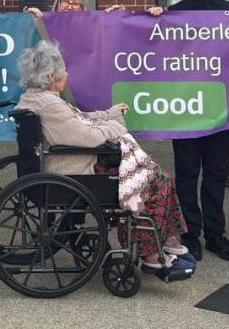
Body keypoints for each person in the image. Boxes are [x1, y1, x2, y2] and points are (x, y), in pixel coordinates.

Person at [15, 42, 193, 278]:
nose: (67, 73)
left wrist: (110, 113)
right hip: (74, 170)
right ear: (50, 76)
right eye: (64, 69)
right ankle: (151, 254)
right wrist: (115, 127)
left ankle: (164, 238)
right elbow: (87, 136)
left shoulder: (38, 99)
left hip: (66, 165)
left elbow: (81, 120)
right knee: (155, 181)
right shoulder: (50, 106)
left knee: (156, 175)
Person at [145, 0, 229, 263]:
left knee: (216, 174)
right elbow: (156, 52)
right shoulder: (173, 13)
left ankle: (216, 234)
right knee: (187, 174)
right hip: (185, 108)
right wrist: (151, 21)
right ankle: (190, 233)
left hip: (222, 111)